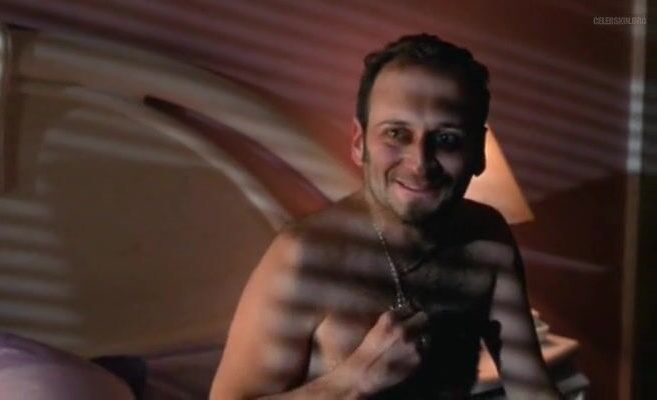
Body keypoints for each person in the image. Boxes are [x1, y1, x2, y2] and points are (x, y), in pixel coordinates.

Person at [210, 34, 563, 399]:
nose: (420, 164)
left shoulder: (487, 240)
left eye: (447, 139)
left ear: (478, 153)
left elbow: (533, 391)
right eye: (396, 133)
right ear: (359, 142)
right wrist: (352, 380)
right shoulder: (306, 255)